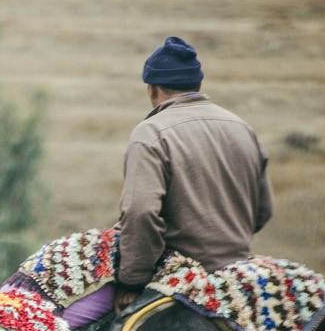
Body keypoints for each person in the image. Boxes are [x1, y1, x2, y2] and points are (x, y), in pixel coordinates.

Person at [113, 37, 273, 314]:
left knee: (75, 330)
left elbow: (140, 212)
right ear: (198, 85)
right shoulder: (242, 128)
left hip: (173, 277)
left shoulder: (150, 133)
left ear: (152, 90)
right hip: (237, 275)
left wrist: (132, 280)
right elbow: (263, 211)